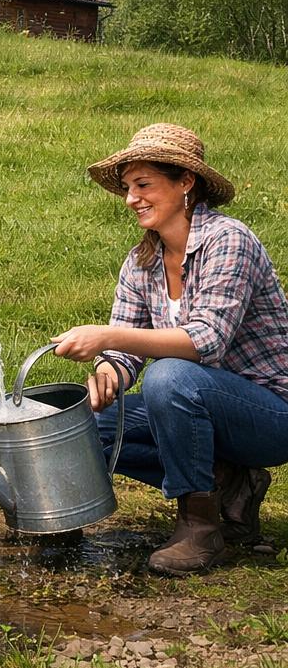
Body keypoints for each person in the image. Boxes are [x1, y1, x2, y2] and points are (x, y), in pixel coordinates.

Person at [51, 123, 288, 575]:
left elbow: (204, 341)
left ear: (185, 182)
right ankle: (227, 483)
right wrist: (108, 372)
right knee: (81, 425)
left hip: (271, 412)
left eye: (144, 185)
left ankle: (199, 529)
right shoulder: (142, 261)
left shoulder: (228, 241)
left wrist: (106, 337)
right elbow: (124, 351)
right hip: (200, 403)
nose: (131, 199)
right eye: (127, 188)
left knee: (169, 377)